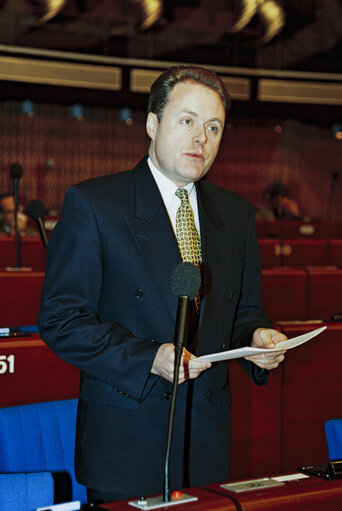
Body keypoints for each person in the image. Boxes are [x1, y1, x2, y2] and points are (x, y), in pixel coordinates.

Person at [38, 65, 287, 505]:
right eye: (187, 121)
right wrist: (148, 357)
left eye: (213, 127)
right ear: (153, 124)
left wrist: (257, 336)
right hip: (126, 442)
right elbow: (62, 320)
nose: (201, 139)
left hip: (207, 442)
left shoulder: (236, 214)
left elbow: (242, 309)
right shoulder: (95, 204)